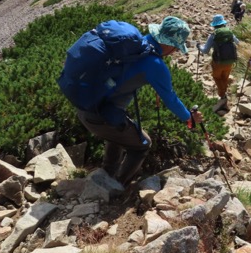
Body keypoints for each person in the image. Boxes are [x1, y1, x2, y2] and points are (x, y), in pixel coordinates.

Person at [73, 16, 203, 184]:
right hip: (98, 115)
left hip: (86, 103)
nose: (176, 52)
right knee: (143, 145)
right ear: (170, 44)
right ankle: (118, 186)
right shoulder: (155, 64)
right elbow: (171, 99)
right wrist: (189, 118)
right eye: (177, 48)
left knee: (119, 132)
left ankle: (107, 175)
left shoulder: (138, 43)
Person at [198, 14, 239, 111]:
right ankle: (224, 95)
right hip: (230, 61)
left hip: (218, 61)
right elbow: (238, 42)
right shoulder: (230, 33)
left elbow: (205, 51)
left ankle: (223, 97)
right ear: (223, 23)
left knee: (217, 77)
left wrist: (199, 46)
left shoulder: (213, 35)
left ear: (214, 25)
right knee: (225, 77)